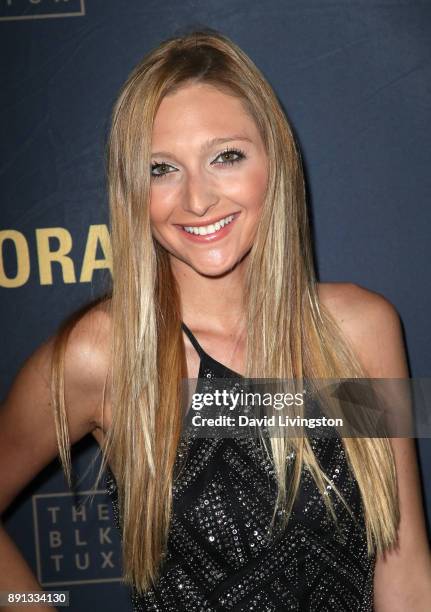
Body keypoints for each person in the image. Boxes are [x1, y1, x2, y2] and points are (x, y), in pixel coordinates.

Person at [1, 27, 431, 612]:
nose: (197, 199)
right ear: (132, 190)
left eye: (225, 156)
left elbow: (403, 564)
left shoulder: (361, 330)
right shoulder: (103, 356)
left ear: (274, 160)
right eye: (161, 169)